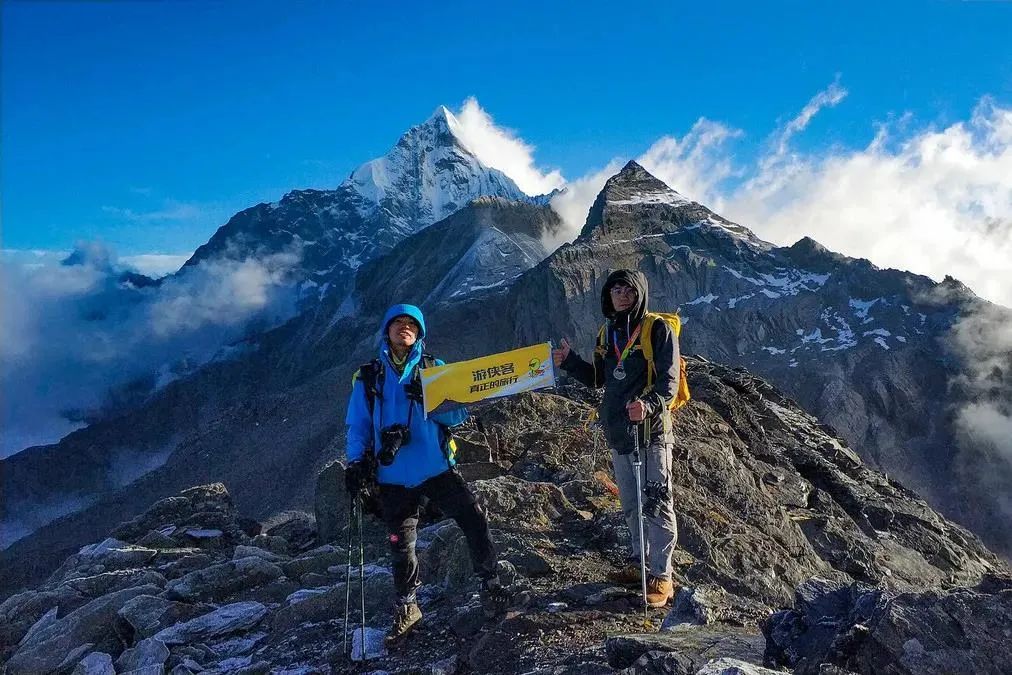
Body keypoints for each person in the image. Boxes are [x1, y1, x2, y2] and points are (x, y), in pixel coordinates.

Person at [344, 303, 508, 644]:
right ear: (387, 331)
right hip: (392, 476)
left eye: (411, 324)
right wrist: (356, 462)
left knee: (474, 518)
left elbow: (456, 417)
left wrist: (431, 399)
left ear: (419, 333)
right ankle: (407, 605)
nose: (405, 328)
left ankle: (491, 582)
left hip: (436, 468)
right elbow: (358, 424)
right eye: (398, 323)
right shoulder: (368, 376)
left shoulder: (435, 369)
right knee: (401, 545)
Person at [552, 269, 680, 608]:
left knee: (657, 501)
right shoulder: (607, 333)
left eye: (628, 289)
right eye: (615, 289)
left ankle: (662, 577)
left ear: (640, 293)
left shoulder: (657, 329)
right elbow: (598, 378)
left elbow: (669, 382)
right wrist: (570, 363)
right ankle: (642, 564)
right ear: (608, 296)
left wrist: (649, 404)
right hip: (620, 431)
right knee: (631, 503)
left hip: (652, 432)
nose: (622, 294)